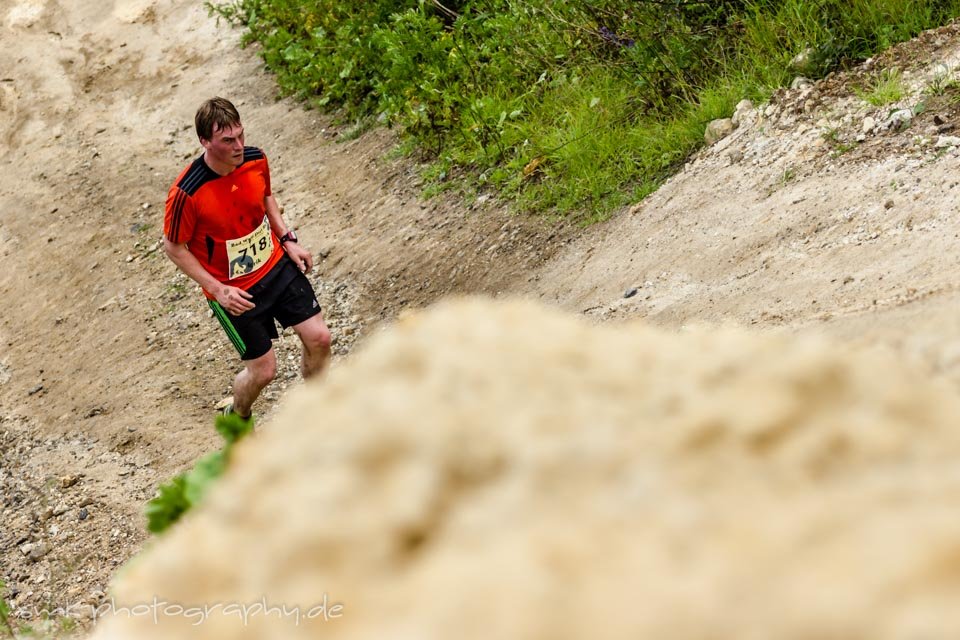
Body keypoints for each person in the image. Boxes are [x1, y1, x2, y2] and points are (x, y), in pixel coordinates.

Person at [163, 97, 331, 423]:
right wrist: (219, 290)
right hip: (235, 292)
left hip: (275, 266)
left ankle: (318, 415)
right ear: (205, 142)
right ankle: (237, 417)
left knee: (320, 338)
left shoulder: (255, 159)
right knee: (264, 372)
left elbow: (266, 195)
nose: (239, 145)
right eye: (228, 140)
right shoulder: (187, 193)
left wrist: (288, 239)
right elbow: (174, 247)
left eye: (240, 135)